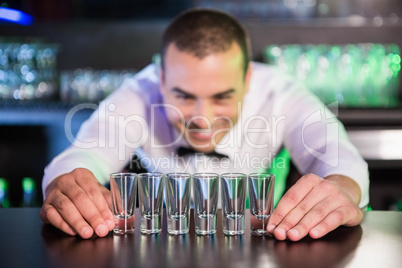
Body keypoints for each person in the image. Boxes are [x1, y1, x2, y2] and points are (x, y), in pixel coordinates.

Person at [40, 8, 369, 241]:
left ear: (248, 78)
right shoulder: (140, 92)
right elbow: (84, 155)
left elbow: (337, 155)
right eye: (183, 96)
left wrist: (341, 187)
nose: (202, 118)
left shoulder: (280, 91)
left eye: (222, 97)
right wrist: (67, 183)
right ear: (162, 78)